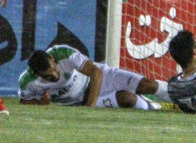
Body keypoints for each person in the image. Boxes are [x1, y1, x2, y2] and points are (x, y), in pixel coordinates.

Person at [18, 44, 169, 109]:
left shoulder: (63, 53)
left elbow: (96, 73)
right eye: (48, 76)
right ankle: (153, 108)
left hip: (99, 79)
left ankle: (177, 95)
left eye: (54, 68)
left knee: (149, 85)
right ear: (36, 74)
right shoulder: (27, 82)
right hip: (80, 101)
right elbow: (24, 101)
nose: (55, 75)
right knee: (127, 98)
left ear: (52, 59)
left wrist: (89, 109)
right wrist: (40, 103)